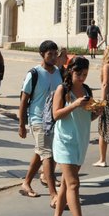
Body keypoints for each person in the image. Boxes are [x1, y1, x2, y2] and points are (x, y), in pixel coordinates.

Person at [50, 56, 102, 216]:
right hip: (65, 142)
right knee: (73, 184)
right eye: (78, 74)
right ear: (70, 71)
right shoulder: (62, 89)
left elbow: (86, 118)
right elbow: (55, 115)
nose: (81, 78)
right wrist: (74, 104)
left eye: (85, 74)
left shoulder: (86, 90)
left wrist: (97, 112)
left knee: (66, 184)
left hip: (81, 141)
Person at [18, 40, 63, 203]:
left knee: (40, 152)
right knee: (48, 156)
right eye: (49, 54)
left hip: (54, 120)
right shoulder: (34, 73)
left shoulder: (58, 72)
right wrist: (21, 124)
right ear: (42, 55)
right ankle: (53, 195)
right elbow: (24, 100)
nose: (53, 57)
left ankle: (26, 183)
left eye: (54, 53)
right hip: (38, 120)